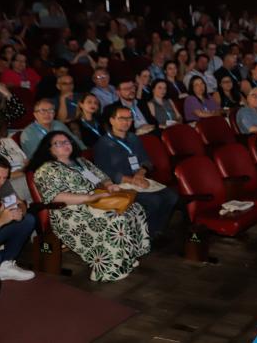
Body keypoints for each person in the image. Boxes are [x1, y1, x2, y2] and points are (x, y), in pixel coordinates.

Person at [29, 131, 150, 282]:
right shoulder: (47, 169)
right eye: (58, 143)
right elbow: (55, 196)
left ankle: (126, 257)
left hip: (96, 201)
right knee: (115, 219)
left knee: (135, 208)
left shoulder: (80, 161)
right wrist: (88, 198)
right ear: (49, 149)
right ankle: (108, 269)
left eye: (67, 141)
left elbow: (101, 176)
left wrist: (109, 185)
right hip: (70, 211)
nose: (65, 145)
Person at [93, 104, 178, 239]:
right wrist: (132, 180)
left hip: (138, 179)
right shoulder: (103, 143)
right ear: (112, 120)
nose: (126, 122)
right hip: (120, 185)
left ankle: (156, 231)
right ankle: (144, 235)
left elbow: (146, 161)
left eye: (129, 118)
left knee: (171, 196)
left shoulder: (133, 138)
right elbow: (104, 171)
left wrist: (140, 174)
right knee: (154, 201)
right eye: (122, 118)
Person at [0, 155, 36, 281]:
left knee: (28, 220)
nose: (0, 182)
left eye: (5, 178)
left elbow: (19, 202)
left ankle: (6, 264)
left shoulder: (1, 184)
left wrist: (19, 212)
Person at [0, 113, 31, 202]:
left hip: (25, 178)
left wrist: (24, 171)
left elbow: (27, 162)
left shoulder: (9, 141)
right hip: (5, 185)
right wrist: (20, 173)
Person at [20, 99, 85, 156]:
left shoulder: (59, 124)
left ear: (54, 114)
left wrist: (84, 152)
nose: (47, 114)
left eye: (50, 110)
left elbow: (75, 140)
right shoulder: (28, 133)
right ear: (35, 114)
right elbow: (35, 157)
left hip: (69, 157)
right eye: (43, 111)